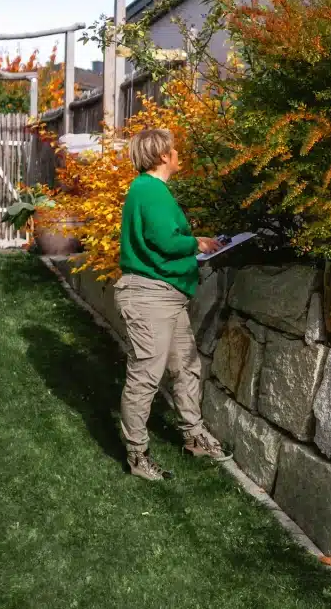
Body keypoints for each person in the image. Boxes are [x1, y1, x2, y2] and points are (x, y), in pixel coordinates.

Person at [115, 128, 231, 481]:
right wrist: (196, 243)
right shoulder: (149, 189)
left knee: (186, 367)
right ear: (163, 155)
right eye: (175, 149)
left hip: (167, 296)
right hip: (150, 297)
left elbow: (164, 238)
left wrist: (198, 241)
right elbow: (165, 240)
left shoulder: (150, 189)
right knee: (145, 377)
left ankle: (194, 436)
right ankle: (137, 455)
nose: (179, 154)